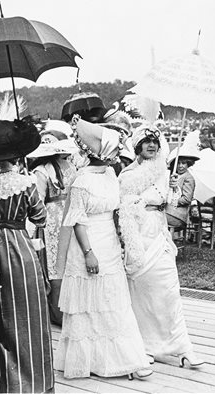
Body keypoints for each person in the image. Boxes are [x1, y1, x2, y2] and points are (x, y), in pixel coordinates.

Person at [55, 115, 152, 380]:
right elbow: (76, 221)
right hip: (89, 242)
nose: (117, 155)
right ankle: (89, 360)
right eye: (115, 151)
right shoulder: (82, 181)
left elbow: (117, 206)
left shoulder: (110, 174)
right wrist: (88, 253)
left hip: (109, 239)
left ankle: (124, 357)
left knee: (113, 298)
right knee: (89, 301)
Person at [118, 123, 204, 368]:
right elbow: (122, 204)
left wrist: (174, 188)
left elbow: (172, 203)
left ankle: (183, 347)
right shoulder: (126, 174)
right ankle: (146, 346)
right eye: (147, 142)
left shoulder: (166, 173)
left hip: (158, 231)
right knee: (143, 293)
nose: (152, 146)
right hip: (137, 232)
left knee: (169, 290)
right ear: (137, 146)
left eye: (155, 142)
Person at [0, 117, 54, 393]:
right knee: (24, 313)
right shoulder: (25, 183)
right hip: (18, 252)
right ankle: (30, 382)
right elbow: (41, 218)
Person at [28, 135, 77, 325]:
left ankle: (57, 311)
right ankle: (64, 310)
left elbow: (37, 201)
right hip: (66, 217)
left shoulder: (41, 171)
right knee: (63, 263)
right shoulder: (69, 167)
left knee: (54, 266)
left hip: (52, 219)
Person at [165, 147, 199, 229]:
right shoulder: (174, 175)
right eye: (178, 163)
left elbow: (187, 199)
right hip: (168, 211)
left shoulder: (188, 178)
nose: (180, 166)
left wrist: (172, 201)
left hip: (177, 215)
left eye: (183, 163)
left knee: (155, 217)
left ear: (188, 164)